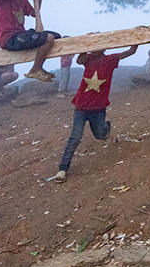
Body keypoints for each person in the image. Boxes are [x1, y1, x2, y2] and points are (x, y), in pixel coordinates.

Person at [51, 44, 138, 182]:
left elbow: (130, 51)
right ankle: (63, 168)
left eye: (97, 45)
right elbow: (79, 60)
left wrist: (137, 39)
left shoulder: (110, 59)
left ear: (104, 48)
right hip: (81, 107)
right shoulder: (88, 58)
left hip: (98, 108)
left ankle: (106, 127)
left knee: (100, 135)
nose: (94, 48)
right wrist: (86, 44)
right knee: (75, 137)